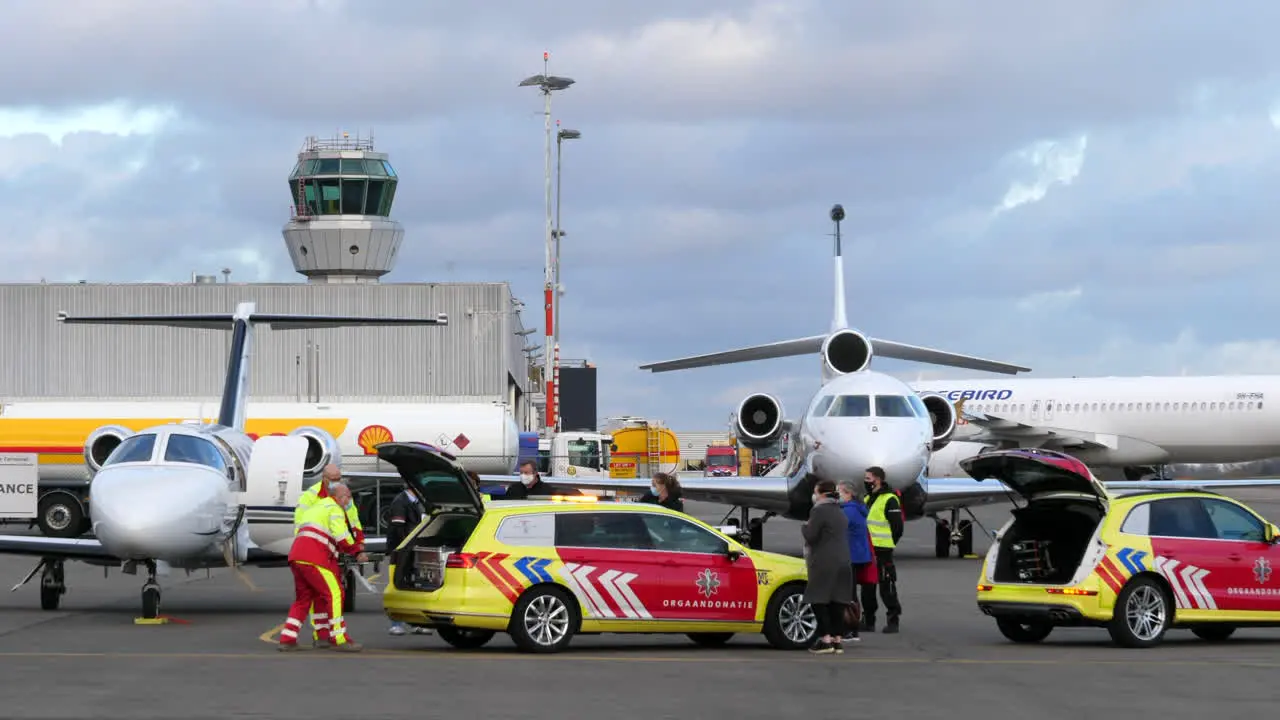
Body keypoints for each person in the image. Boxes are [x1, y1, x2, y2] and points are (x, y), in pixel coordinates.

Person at [278, 483, 364, 652]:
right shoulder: (335, 509)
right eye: (348, 497)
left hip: (297, 556)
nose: (349, 501)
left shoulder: (316, 507)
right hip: (315, 557)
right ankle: (340, 638)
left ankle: (289, 638)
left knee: (305, 598)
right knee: (335, 593)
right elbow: (342, 536)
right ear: (341, 496)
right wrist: (356, 551)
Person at [800, 478, 853, 655]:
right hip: (844, 560)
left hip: (824, 560)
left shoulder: (820, 511)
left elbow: (811, 535)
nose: (814, 496)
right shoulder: (840, 510)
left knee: (818, 599)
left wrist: (804, 526)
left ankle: (825, 639)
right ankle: (838, 640)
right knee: (838, 601)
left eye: (816, 492)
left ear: (822, 494)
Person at [860, 466, 903, 634]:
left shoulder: (890, 499)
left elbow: (897, 527)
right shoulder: (867, 498)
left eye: (868, 478)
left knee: (887, 586)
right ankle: (868, 620)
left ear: (877, 480)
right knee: (867, 586)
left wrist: (889, 543)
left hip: (883, 549)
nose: (866, 481)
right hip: (868, 549)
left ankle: (893, 619)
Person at [384, 486, 432, 637]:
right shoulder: (400, 502)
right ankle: (396, 624)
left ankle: (416, 623)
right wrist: (406, 547)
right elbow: (399, 528)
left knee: (415, 585)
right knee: (398, 584)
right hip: (402, 551)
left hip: (412, 549)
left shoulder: (416, 502)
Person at [836, 479, 874, 642]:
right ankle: (851, 627)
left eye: (839, 492)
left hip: (849, 556)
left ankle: (850, 628)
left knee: (847, 594)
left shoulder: (848, 511)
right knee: (850, 592)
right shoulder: (857, 509)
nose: (837, 496)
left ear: (848, 494)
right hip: (857, 555)